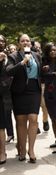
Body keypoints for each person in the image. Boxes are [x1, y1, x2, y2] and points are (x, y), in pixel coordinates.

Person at [6, 34, 42, 163]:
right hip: (19, 91)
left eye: (27, 40)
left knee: (33, 119)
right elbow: (9, 71)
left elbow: (40, 73)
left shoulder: (37, 55)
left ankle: (31, 150)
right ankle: (22, 149)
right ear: (19, 43)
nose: (25, 42)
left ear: (30, 44)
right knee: (21, 121)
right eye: (22, 41)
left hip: (34, 90)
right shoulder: (13, 56)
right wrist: (22, 63)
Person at [0, 34, 12, 164]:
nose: (0, 43)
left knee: (1, 126)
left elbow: (9, 75)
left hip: (3, 95)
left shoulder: (8, 57)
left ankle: (2, 152)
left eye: (2, 41)